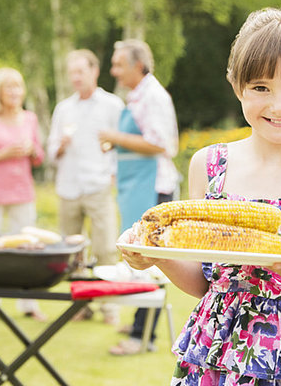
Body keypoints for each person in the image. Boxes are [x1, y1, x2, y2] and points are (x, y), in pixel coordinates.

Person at [120, 8, 281, 385]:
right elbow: (209, 284)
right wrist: (155, 255)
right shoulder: (209, 165)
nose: (279, 105)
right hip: (217, 359)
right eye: (260, 88)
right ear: (236, 85)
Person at [99, 39, 180, 355]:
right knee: (136, 256)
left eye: (118, 64)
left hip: (153, 186)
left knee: (151, 258)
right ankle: (138, 322)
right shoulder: (137, 96)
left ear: (137, 65)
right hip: (136, 185)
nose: (113, 71)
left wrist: (114, 137)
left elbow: (162, 145)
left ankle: (143, 336)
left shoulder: (154, 97)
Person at [47, 49, 124, 324]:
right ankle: (79, 307)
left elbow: (119, 146)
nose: (76, 77)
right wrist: (60, 146)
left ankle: (109, 308)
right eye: (72, 73)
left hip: (99, 185)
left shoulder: (112, 105)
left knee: (105, 248)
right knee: (72, 252)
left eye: (81, 71)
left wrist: (114, 175)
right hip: (68, 186)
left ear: (94, 71)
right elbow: (50, 152)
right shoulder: (63, 108)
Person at [0, 67, 47, 324]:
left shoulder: (30, 119)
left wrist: (31, 150)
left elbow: (39, 157)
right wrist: (4, 153)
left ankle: (28, 303)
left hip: (22, 193)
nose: (15, 92)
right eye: (9, 87)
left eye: (18, 86)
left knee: (27, 250)